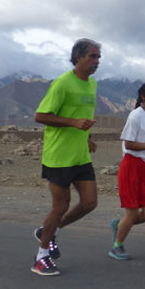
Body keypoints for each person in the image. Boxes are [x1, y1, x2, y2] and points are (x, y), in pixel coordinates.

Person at [30, 38, 101, 276]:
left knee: (90, 203)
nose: (97, 61)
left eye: (98, 57)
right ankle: (41, 256)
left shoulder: (92, 85)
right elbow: (40, 115)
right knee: (60, 206)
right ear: (78, 57)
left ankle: (49, 231)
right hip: (59, 156)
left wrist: (87, 136)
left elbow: (83, 116)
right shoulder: (62, 83)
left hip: (80, 155)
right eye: (92, 56)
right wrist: (73, 123)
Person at [108, 81, 145, 260]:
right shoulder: (135, 116)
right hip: (131, 166)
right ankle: (117, 246)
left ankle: (120, 225)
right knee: (132, 212)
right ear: (144, 96)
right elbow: (128, 143)